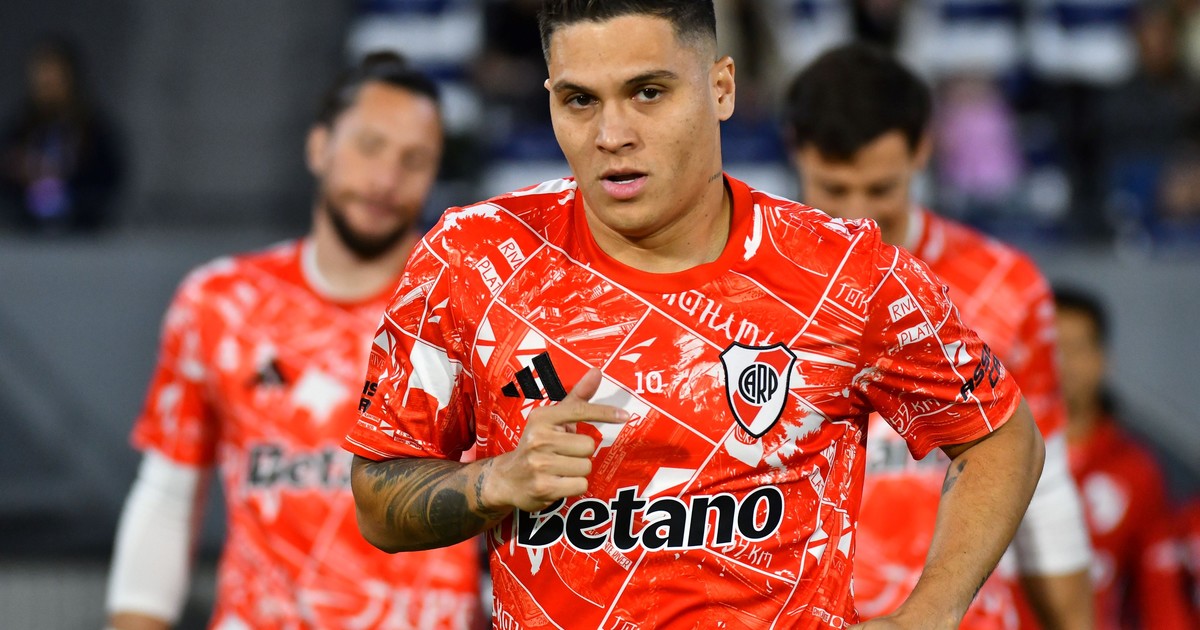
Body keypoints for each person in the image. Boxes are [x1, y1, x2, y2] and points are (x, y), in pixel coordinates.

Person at [345, 2, 1045, 628]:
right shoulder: (473, 258)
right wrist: (495, 482)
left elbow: (1002, 438)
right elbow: (377, 498)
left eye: (648, 92)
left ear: (722, 88)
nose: (612, 133)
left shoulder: (845, 272)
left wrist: (929, 614)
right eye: (579, 100)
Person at [105, 52, 481, 629]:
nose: (386, 179)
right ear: (318, 147)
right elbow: (169, 495)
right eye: (370, 146)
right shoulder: (220, 303)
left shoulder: (474, 311)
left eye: (415, 159)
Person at [781, 43, 1094, 630]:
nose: (858, 218)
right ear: (795, 148)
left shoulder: (1007, 285)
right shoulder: (748, 289)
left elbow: (1043, 482)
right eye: (834, 190)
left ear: (922, 149)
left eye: (880, 190)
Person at [1055, 286, 1194, 629]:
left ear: (1102, 359)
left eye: (1076, 348)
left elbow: (1159, 591)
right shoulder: (992, 459)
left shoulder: (1135, 469)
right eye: (1051, 347)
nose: (1062, 363)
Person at [0, 36, 122, 232]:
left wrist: (67, 175)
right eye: (42, 79)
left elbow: (106, 182)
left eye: (54, 78)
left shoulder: (94, 130)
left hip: (81, 234)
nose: (47, 86)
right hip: (26, 234)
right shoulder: (19, 129)